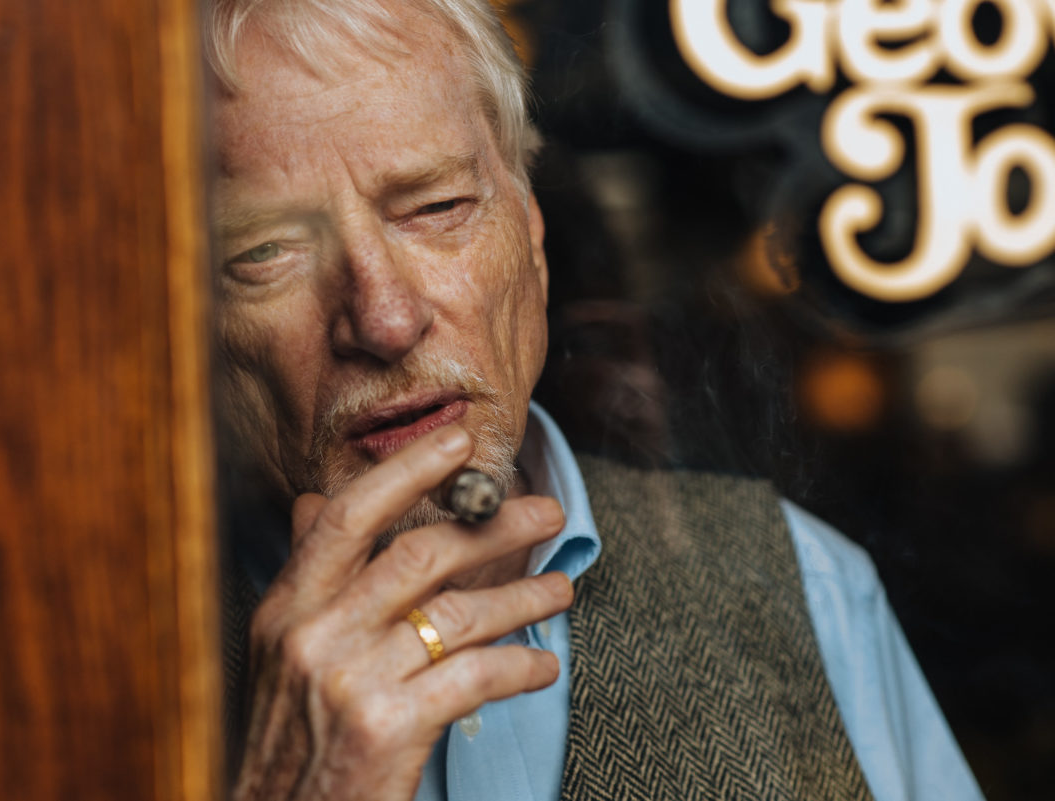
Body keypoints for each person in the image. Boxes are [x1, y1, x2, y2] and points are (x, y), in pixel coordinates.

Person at [207, 1, 985, 799]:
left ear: (532, 237)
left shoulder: (805, 585)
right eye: (263, 249)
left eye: (438, 207)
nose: (385, 320)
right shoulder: (133, 666)